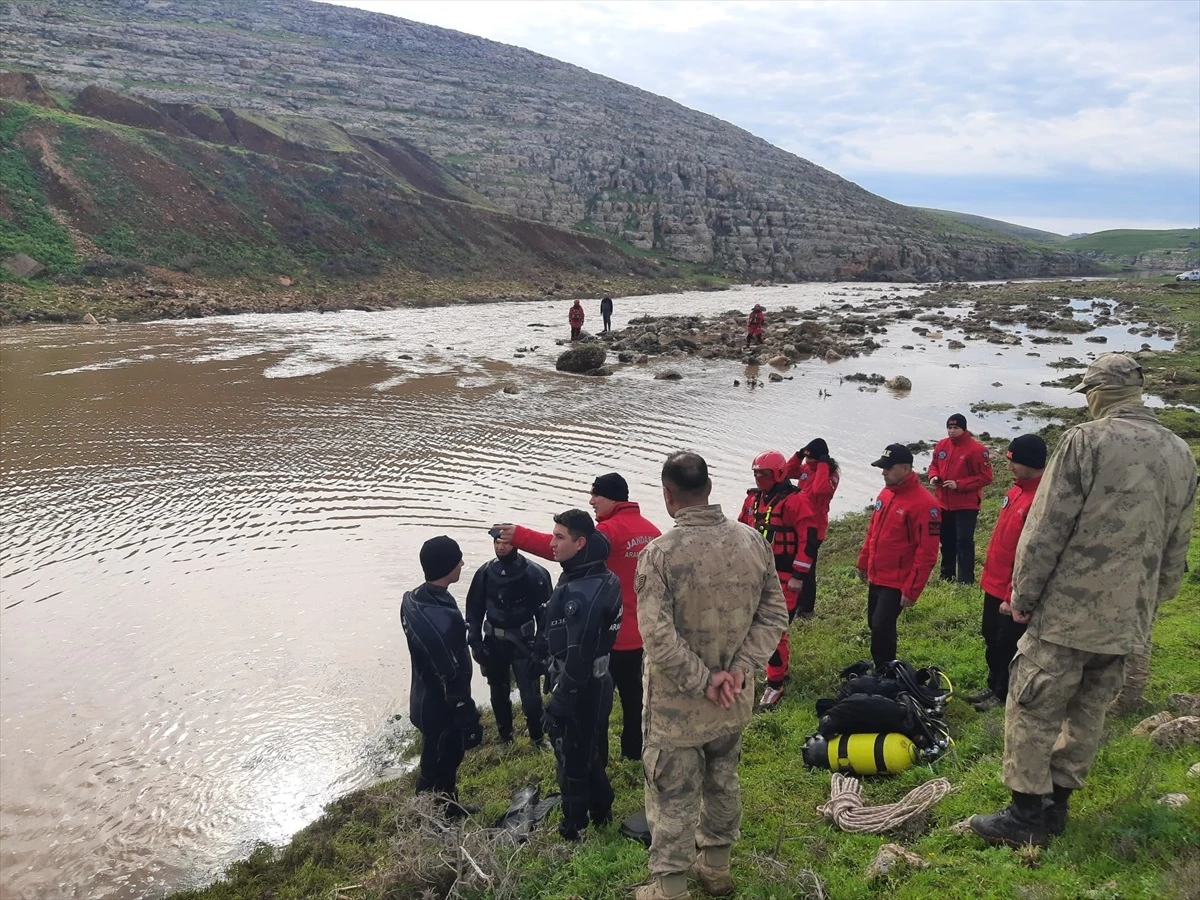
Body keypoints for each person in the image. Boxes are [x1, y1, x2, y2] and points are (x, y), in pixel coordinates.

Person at [968, 354, 1196, 849]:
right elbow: (1178, 546)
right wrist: (1149, 605)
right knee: (1089, 709)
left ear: (1099, 392)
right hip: (1129, 617)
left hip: (1069, 611)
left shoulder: (1085, 441)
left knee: (1033, 703)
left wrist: (1022, 596)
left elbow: (1047, 527)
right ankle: (1057, 810)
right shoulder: (1181, 452)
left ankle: (1024, 813)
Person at [633, 451, 788, 900]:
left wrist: (705, 680)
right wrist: (740, 670)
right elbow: (775, 612)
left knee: (673, 794)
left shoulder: (660, 555)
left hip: (677, 708)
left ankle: (671, 889)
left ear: (668, 493)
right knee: (723, 778)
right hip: (734, 697)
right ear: (709, 488)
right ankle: (716, 868)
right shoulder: (752, 541)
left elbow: (657, 640)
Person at [497, 472, 661, 761]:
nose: (591, 500)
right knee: (635, 699)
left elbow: (563, 548)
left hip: (609, 635)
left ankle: (597, 760)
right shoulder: (653, 532)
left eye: (596, 495)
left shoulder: (610, 532)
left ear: (612, 497)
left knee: (598, 705)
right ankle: (634, 754)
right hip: (642, 634)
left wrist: (519, 536)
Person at [540, 509, 623, 841]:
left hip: (582, 687)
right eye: (553, 535)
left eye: (560, 538)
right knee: (586, 752)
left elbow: (580, 655)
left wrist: (559, 700)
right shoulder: (595, 575)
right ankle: (602, 810)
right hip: (595, 683)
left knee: (570, 759)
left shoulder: (585, 591)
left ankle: (574, 829)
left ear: (581, 542)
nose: (551, 544)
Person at [399, 536, 483, 818]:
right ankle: (427, 819)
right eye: (458, 559)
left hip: (422, 696)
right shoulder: (444, 618)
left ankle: (449, 807)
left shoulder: (413, 601)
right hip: (440, 706)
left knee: (443, 757)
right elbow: (453, 672)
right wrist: (466, 712)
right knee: (437, 762)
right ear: (448, 566)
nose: (462, 563)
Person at [964, 434, 1047, 712]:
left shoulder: (1041, 500)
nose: (1009, 468)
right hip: (994, 581)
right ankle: (993, 683)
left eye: (1014, 463)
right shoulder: (1015, 491)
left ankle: (1003, 694)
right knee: (990, 635)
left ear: (1031, 463)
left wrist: (1013, 594)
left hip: (1014, 589)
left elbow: (1032, 553)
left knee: (1008, 642)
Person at [737, 449, 818, 710]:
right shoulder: (752, 500)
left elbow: (809, 538)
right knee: (750, 624)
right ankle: (770, 671)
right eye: (756, 473)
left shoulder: (796, 502)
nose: (759, 477)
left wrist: (799, 575)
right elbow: (740, 530)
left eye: (764, 473)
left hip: (784, 575)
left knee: (774, 629)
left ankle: (775, 683)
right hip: (755, 572)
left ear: (779, 473)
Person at [464, 530, 553, 748]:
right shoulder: (485, 573)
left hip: (524, 644)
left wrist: (541, 649)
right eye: (497, 542)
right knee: (498, 693)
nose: (501, 547)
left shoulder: (535, 574)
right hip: (494, 643)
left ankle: (538, 739)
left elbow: (546, 617)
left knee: (531, 697)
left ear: (515, 544)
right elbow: (473, 611)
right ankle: (506, 738)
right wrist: (475, 641)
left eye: (505, 542)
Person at [856, 444, 941, 670]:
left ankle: (886, 672)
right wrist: (864, 561)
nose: (883, 472)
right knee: (874, 624)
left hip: (897, 580)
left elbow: (928, 552)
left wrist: (912, 589)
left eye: (888, 468)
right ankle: (883, 667)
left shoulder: (925, 505)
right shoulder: (886, 494)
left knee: (882, 626)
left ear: (905, 469)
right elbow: (872, 531)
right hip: (877, 574)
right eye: (882, 468)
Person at [927, 413, 994, 583]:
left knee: (964, 542)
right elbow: (934, 465)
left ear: (964, 429)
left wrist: (960, 484)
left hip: (966, 505)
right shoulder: (942, 445)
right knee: (946, 541)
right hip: (943, 503)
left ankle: (966, 580)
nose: (952, 431)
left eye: (956, 428)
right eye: (949, 427)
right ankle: (946, 576)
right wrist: (933, 477)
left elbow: (986, 477)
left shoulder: (977, 450)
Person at [784, 438, 841, 618]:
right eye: (806, 459)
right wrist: (798, 455)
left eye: (811, 459)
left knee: (807, 570)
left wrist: (823, 464)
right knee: (796, 565)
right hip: (798, 524)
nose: (807, 462)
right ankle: (796, 603)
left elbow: (819, 489)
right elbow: (786, 471)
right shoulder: (808, 468)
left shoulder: (830, 475)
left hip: (815, 529)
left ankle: (807, 609)